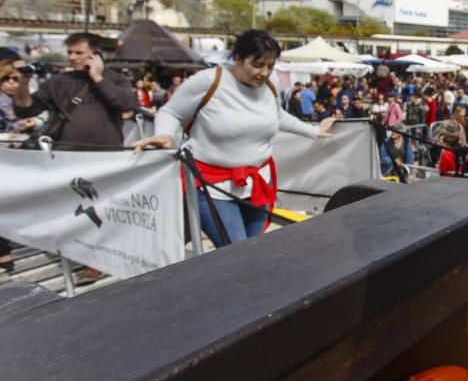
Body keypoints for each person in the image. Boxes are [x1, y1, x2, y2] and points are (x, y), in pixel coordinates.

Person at [133, 30, 335, 248]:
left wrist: (313, 131)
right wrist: (165, 133)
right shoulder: (208, 81)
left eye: (270, 65)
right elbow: (171, 112)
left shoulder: (270, 83)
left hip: (259, 183)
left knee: (252, 250)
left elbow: (276, 115)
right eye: (257, 64)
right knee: (237, 253)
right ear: (238, 59)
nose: (264, 72)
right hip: (213, 186)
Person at [13, 33, 136, 285]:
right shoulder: (58, 81)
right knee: (77, 210)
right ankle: (88, 257)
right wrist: (23, 83)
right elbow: (26, 108)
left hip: (108, 159)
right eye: (70, 52)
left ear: (94, 53)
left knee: (104, 209)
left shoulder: (116, 78)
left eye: (79, 52)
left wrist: (98, 79)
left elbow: (127, 103)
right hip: (68, 157)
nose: (72, 57)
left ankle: (105, 255)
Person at [0, 61, 39, 272]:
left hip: (22, 157)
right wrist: (2, 137)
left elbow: (43, 115)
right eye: (7, 78)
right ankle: (1, 251)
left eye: (15, 79)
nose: (12, 84)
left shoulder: (26, 97)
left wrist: (35, 123)